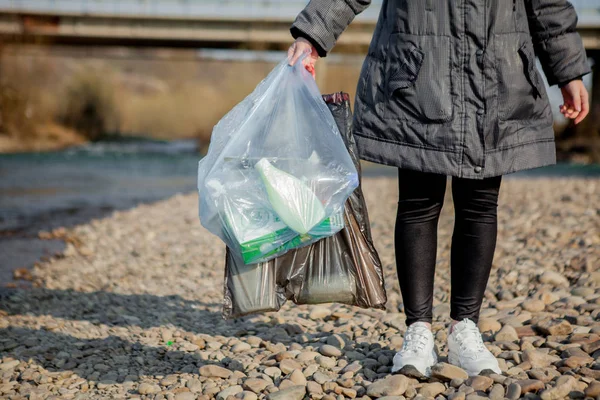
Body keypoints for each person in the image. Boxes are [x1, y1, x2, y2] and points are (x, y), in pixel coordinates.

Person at [288, 0, 591, 377]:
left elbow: (546, 4)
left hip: (495, 70)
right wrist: (312, 35)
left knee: (480, 204)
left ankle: (466, 328)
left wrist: (569, 72)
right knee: (418, 202)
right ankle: (418, 332)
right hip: (418, 72)